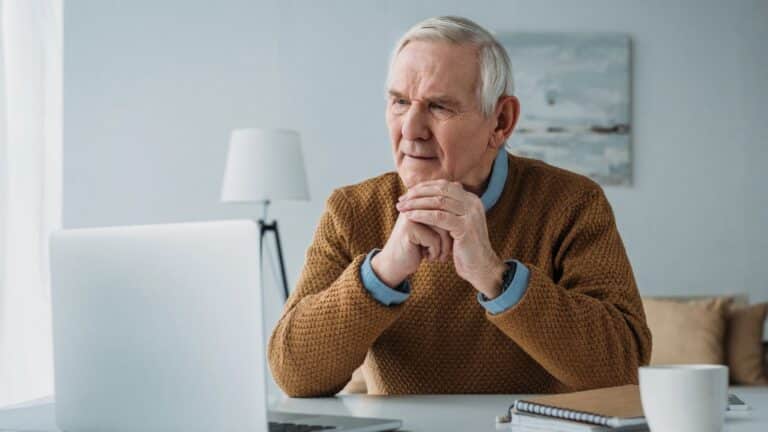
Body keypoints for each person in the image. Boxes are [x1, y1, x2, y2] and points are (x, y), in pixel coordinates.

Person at [268, 16, 651, 397]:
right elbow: (293, 375)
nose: (410, 129)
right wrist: (383, 271)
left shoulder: (571, 203)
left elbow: (626, 369)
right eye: (399, 102)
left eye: (439, 107)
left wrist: (494, 276)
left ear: (501, 122)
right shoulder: (351, 210)